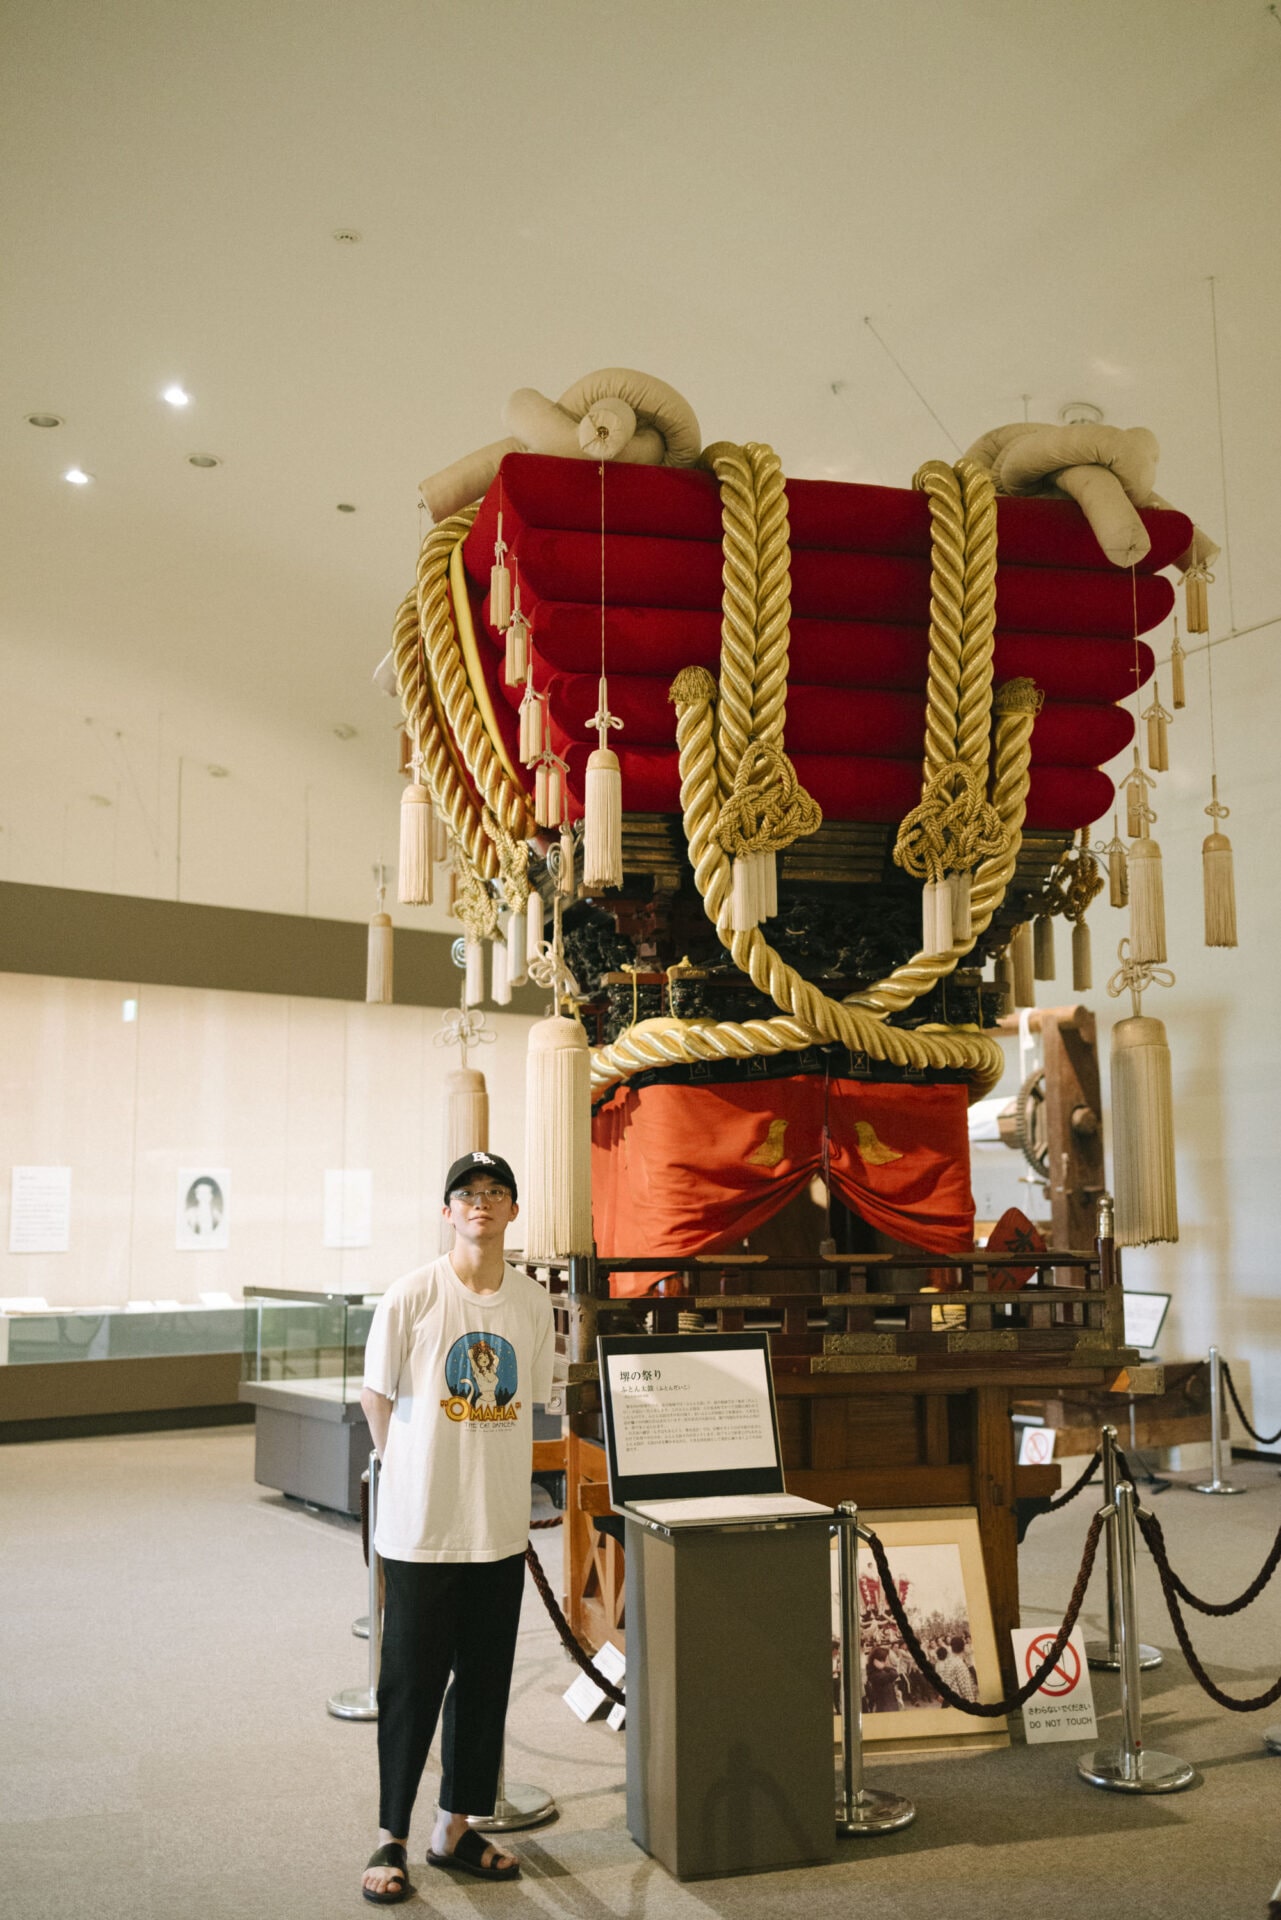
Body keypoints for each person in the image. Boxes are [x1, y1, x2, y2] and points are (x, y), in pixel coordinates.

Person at [357, 1151, 554, 1905]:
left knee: (483, 1685)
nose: (481, 1204)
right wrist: (405, 1467)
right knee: (409, 1684)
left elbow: (528, 1402)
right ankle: (391, 1834)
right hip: (421, 1529)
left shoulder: (531, 1304)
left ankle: (454, 1826)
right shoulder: (412, 1295)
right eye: (467, 1194)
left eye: (495, 1193)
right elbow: (377, 1399)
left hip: (497, 1529)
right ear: (447, 1212)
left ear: (511, 1212)